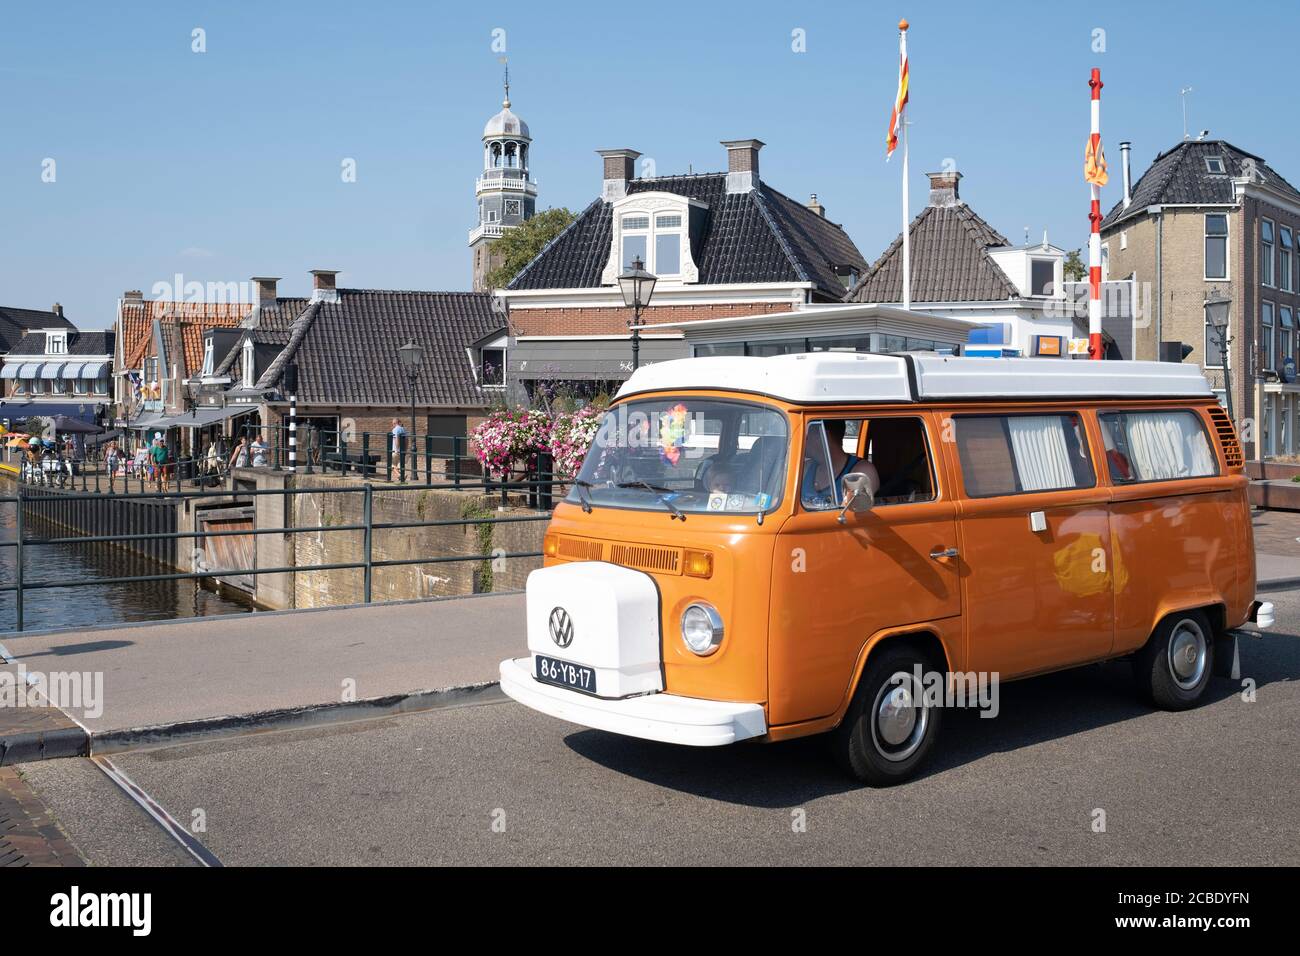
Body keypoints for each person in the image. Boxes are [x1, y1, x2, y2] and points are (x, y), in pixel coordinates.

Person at [801, 419, 861, 508]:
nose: (802, 440)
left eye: (806, 435)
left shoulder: (860, 471)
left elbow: (845, 514)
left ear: (823, 436)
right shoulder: (805, 468)